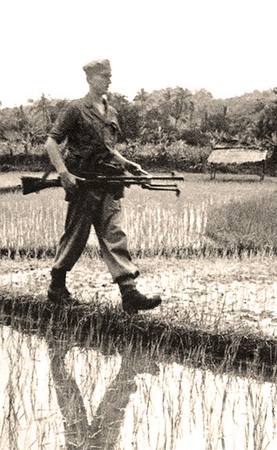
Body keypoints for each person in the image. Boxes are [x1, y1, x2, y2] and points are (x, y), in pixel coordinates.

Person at [44, 59, 161, 314]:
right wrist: (64, 173)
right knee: (76, 235)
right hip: (84, 182)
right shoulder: (75, 109)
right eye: (104, 76)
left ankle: (129, 292)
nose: (109, 80)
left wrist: (130, 165)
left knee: (115, 235)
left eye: (110, 75)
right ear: (90, 79)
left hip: (110, 181)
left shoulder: (111, 111)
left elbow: (109, 150)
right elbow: (51, 143)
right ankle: (57, 286)